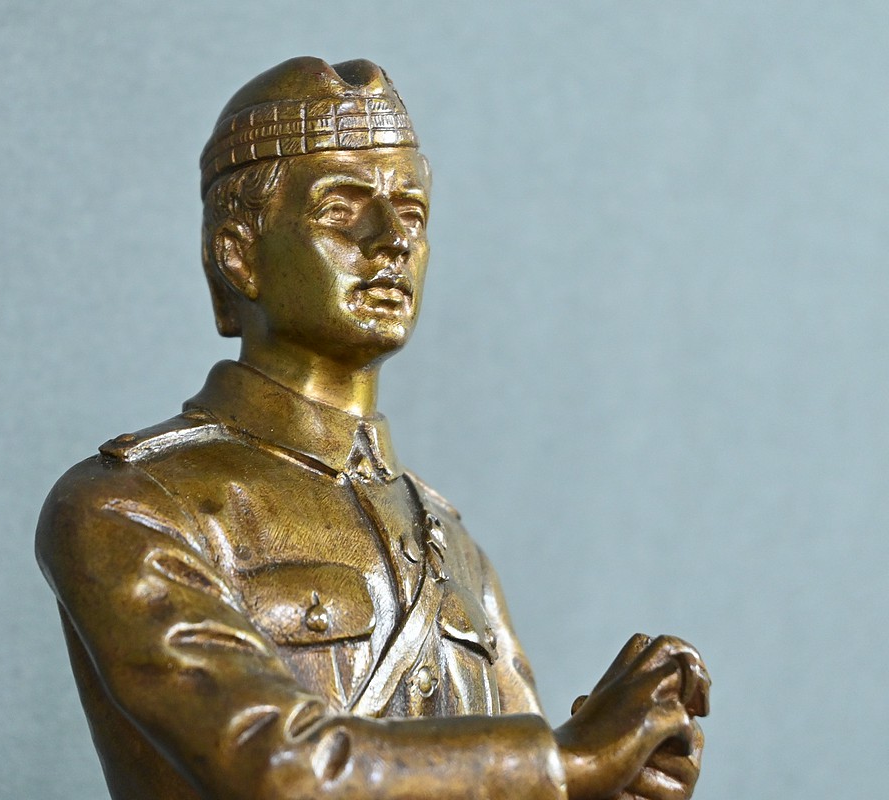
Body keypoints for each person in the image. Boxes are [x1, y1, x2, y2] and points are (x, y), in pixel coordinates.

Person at [36, 57, 709, 800]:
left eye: (412, 212)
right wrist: (568, 763)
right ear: (239, 255)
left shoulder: (452, 544)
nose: (393, 239)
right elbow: (275, 769)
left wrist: (617, 776)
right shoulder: (128, 505)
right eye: (342, 207)